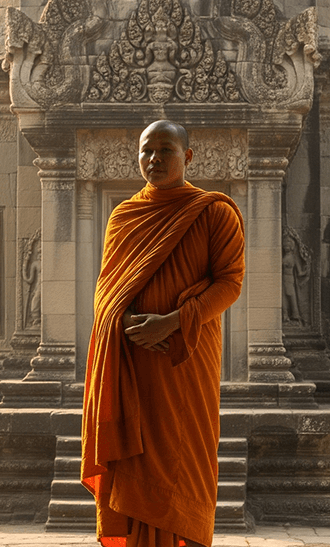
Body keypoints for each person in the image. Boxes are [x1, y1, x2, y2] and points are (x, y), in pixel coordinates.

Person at [82, 120, 246, 547]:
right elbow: (107, 291)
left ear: (188, 156)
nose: (154, 159)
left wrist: (169, 322)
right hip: (133, 365)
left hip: (183, 364)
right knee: (136, 467)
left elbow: (229, 284)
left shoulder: (215, 212)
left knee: (185, 462)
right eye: (146, 151)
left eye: (166, 150)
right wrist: (127, 324)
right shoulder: (124, 216)